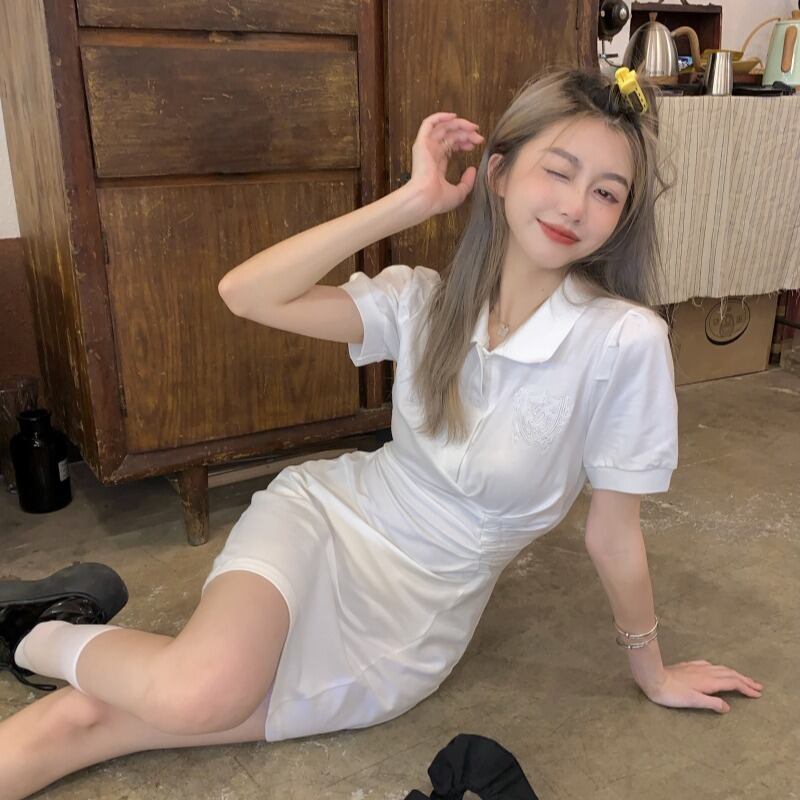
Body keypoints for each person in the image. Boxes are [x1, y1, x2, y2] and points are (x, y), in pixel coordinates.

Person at [0, 68, 763, 800]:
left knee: (90, 719)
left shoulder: (623, 341)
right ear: (498, 174)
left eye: (606, 192)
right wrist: (409, 202)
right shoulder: (423, 302)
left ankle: (38, 632)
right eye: (558, 172)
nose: (574, 205)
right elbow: (245, 294)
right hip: (324, 520)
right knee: (198, 694)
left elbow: (613, 536)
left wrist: (653, 672)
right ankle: (51, 633)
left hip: (412, 619)